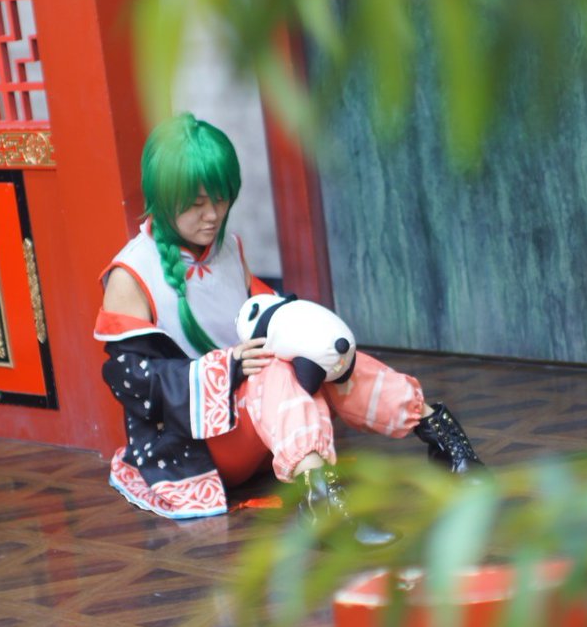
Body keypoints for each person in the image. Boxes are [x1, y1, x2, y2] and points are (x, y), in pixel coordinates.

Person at [94, 113, 483, 543]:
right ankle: (323, 502)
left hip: (259, 424)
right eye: (196, 203)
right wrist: (225, 367)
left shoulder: (228, 247)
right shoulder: (132, 273)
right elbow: (130, 382)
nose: (213, 215)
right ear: (164, 198)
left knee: (314, 353)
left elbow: (270, 319)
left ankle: (441, 436)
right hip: (199, 443)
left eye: (221, 199)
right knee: (278, 371)